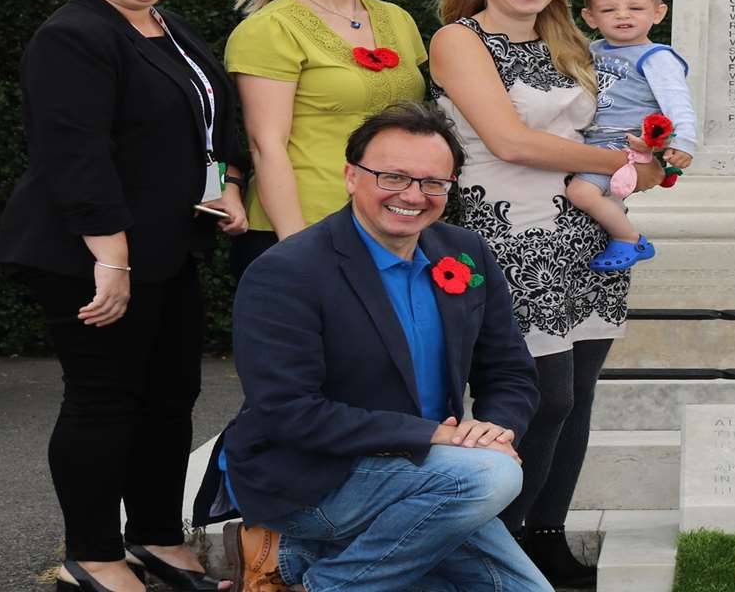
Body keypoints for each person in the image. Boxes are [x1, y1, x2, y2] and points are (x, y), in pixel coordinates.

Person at [0, 0, 246, 592]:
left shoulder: (167, 26)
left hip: (169, 246)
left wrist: (225, 181)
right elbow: (75, 156)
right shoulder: (73, 35)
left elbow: (207, 121)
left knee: (170, 398)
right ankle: (94, 556)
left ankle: (157, 538)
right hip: (92, 251)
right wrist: (111, 259)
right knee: (103, 400)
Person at [196, 102, 548, 592]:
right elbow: (288, 411)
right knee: (489, 478)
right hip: (308, 474)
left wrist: (494, 430)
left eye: (433, 182)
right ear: (351, 176)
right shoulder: (287, 271)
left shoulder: (466, 254)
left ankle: (300, 565)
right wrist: (434, 437)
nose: (413, 195)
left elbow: (509, 371)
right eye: (393, 177)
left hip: (433, 478)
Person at [429, 0, 662, 587]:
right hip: (507, 232)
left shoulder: (570, 41)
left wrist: (653, 157)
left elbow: (617, 123)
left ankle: (548, 537)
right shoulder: (459, 40)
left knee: (580, 392)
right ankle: (492, 550)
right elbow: (511, 142)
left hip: (584, 231)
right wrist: (620, 160)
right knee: (542, 395)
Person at [219, 0, 427, 277]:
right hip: (306, 228)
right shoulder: (269, 29)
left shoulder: (398, 19)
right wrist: (297, 248)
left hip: (393, 224)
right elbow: (267, 146)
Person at [567, 0, 697, 272]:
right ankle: (614, 236)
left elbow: (678, 102)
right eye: (609, 9)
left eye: (635, 8)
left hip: (624, 142)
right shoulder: (591, 50)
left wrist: (684, 142)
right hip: (592, 139)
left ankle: (629, 238)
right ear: (590, 18)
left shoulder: (656, 58)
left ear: (658, 13)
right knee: (601, 197)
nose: (622, 15)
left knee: (580, 192)